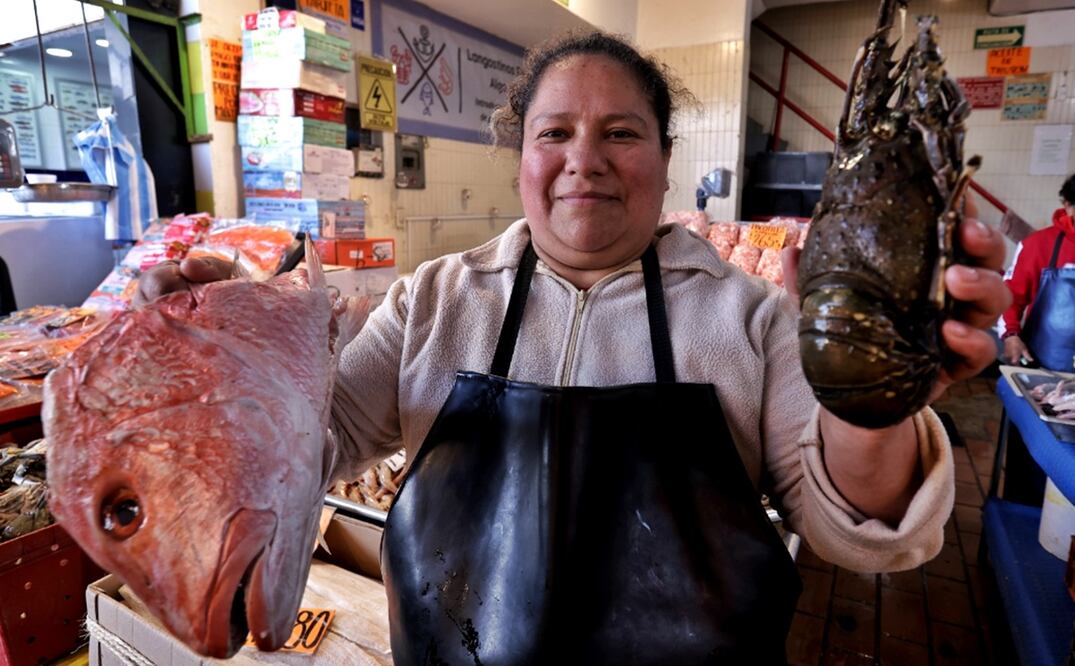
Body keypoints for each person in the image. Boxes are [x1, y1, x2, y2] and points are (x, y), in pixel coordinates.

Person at [137, 31, 1008, 665]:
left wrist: (875, 402)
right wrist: (224, 363)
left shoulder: (750, 318)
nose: (583, 160)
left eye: (620, 133)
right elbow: (305, 451)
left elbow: (858, 535)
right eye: (553, 133)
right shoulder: (432, 302)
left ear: (664, 156)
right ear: (518, 154)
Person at [999, 174, 1075, 370]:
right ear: (1068, 206)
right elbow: (1009, 297)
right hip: (1045, 364)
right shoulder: (1038, 245)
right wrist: (1011, 335)